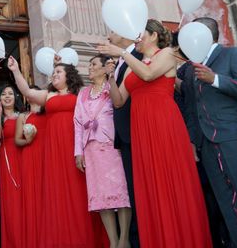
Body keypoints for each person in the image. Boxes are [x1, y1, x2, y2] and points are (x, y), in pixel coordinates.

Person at [99, 19, 212, 247]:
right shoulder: (131, 65)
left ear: (153, 36)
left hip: (163, 124)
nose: (137, 39)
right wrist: (110, 78)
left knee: (171, 179)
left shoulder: (167, 54)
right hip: (141, 129)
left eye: (141, 35)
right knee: (150, 187)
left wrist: (123, 52)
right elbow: (119, 101)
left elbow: (149, 75)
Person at [8, 56, 97, 247]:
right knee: (57, 190)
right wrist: (16, 70)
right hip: (54, 148)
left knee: (77, 188)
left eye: (59, 72)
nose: (54, 75)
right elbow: (27, 91)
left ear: (69, 76)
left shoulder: (81, 95)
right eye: (53, 72)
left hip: (74, 145)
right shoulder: (48, 96)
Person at [182, 17, 237, 246]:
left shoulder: (232, 54)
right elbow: (190, 108)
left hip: (232, 137)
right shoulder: (190, 69)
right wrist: (192, 141)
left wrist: (216, 79)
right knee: (226, 203)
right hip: (205, 145)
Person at [74, 55, 131, 248]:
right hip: (91, 150)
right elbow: (78, 125)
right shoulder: (82, 94)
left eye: (93, 65)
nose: (89, 68)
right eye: (89, 64)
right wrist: (78, 152)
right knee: (100, 197)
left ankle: (124, 240)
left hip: (111, 146)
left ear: (104, 68)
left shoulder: (111, 88)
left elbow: (121, 108)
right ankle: (113, 241)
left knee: (120, 192)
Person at [107, 30, 142, 248]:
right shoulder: (119, 61)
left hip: (136, 129)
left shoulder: (137, 57)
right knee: (132, 188)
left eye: (113, 30)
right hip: (124, 135)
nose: (109, 34)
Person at [0, 85, 24, 248]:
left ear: (16, 96)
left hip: (24, 157)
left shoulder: (23, 115)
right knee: (11, 204)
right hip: (7, 160)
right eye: (3, 94)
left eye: (11, 93)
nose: (7, 96)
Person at [14, 85, 45, 248]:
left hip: (45, 156)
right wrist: (28, 140)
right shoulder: (23, 116)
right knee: (32, 195)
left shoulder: (47, 113)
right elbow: (17, 140)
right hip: (29, 155)